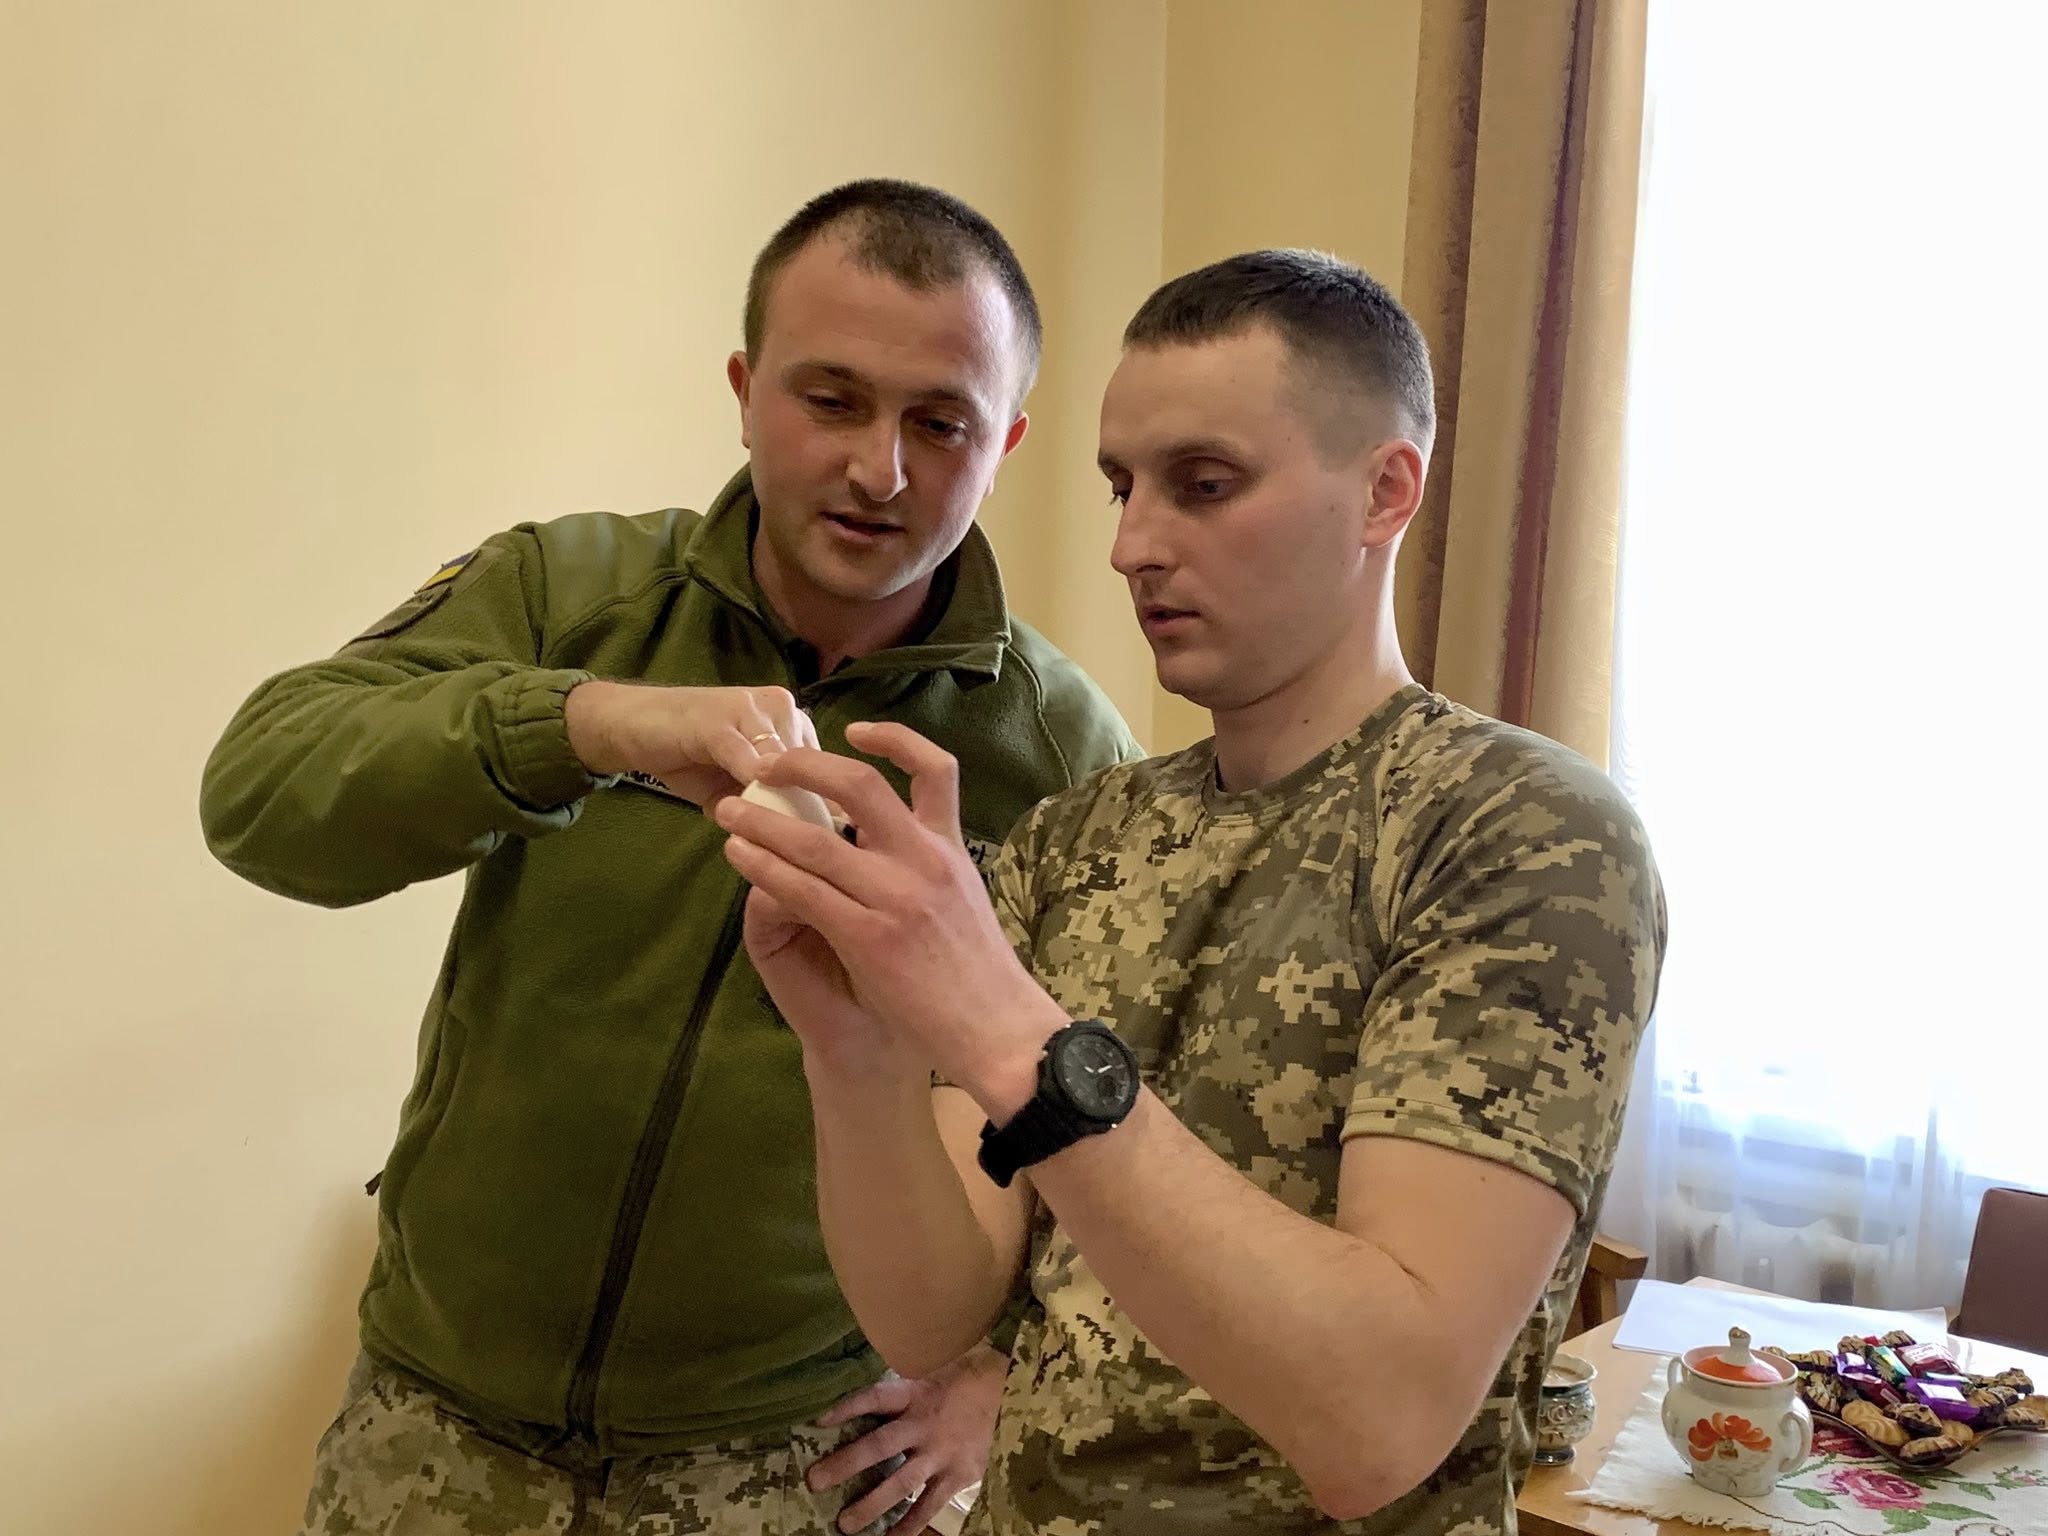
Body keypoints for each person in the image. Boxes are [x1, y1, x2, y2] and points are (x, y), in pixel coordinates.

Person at [199, 178, 1138, 1536]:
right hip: (436, 1422)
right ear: (746, 393)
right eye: (830, 400)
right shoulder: (568, 594)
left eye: (940, 424)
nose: (879, 469)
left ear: (1005, 445)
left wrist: (1004, 1371)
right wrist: (585, 724)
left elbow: (1134, 1115)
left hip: (789, 1465)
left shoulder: (1061, 752)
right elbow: (263, 791)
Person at [713, 249, 1668, 1534]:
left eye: (1203, 485)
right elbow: (925, 1314)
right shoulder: (1076, 836)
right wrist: (858, 1052)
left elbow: (1376, 1421)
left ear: (1384, 491)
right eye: (1122, 487)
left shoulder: (1514, 829)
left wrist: (998, 1024)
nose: (1131, 546)